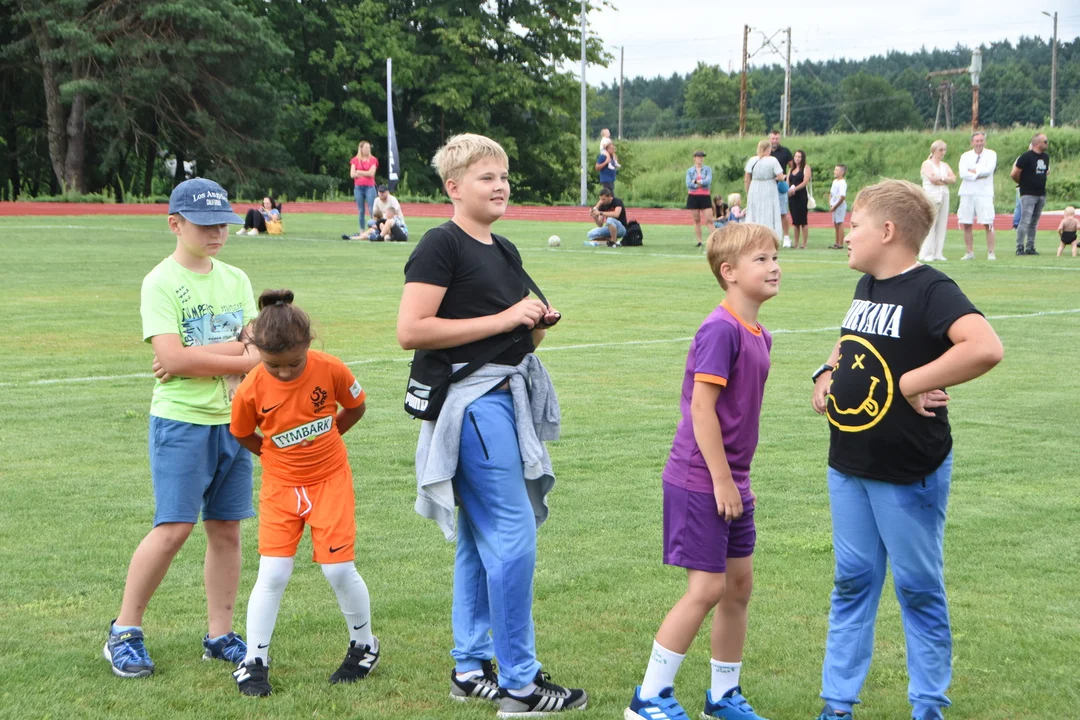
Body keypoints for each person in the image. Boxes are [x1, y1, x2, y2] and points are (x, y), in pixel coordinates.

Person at [396, 133, 586, 716]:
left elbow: (511, 338)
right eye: (486, 177)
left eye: (504, 175)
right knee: (513, 538)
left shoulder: (503, 247)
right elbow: (412, 330)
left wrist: (534, 324)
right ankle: (520, 686)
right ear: (453, 187)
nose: (500, 185)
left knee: (482, 542)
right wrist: (508, 316)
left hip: (507, 395)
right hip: (476, 406)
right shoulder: (439, 244)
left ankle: (471, 667)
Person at [809, 179, 1003, 720]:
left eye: (856, 225)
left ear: (888, 231)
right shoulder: (868, 285)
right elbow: (853, 340)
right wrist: (827, 370)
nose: (846, 232)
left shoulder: (931, 289)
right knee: (852, 583)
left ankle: (927, 708)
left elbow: (985, 346)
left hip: (906, 470)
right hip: (849, 464)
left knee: (917, 589)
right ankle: (837, 705)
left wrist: (912, 380)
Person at [103, 177, 261, 679]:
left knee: (227, 530)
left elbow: (261, 353)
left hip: (232, 423)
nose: (217, 233)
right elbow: (169, 357)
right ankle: (124, 631)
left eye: (224, 225)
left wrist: (199, 359)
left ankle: (220, 635)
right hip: (182, 423)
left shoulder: (236, 278)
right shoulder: (162, 281)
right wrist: (224, 357)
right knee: (173, 527)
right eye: (205, 224)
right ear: (175, 224)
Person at [625, 222, 779, 720]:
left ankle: (723, 696)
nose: (774, 265)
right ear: (728, 273)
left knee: (738, 587)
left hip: (733, 479)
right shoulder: (720, 329)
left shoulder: (761, 334)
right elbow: (701, 410)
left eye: (775, 256)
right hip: (701, 478)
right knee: (707, 588)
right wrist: (720, 479)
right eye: (761, 259)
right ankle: (648, 698)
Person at [229, 289, 375, 697]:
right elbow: (242, 433)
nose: (285, 373)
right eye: (274, 366)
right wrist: (275, 457)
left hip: (330, 481)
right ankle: (254, 660)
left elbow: (356, 405)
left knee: (338, 570)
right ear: (257, 353)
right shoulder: (251, 388)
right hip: (280, 488)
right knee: (273, 573)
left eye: (294, 363)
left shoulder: (330, 369)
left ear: (309, 344)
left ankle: (365, 645)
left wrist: (331, 439)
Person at [956, 132, 997, 261]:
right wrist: (977, 172)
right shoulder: (965, 156)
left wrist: (974, 171)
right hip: (967, 192)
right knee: (966, 223)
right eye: (977, 141)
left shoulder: (991, 154)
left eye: (981, 140)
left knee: (988, 223)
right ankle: (969, 252)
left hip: (984, 193)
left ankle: (991, 252)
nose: (979, 143)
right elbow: (963, 173)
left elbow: (988, 171)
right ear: (972, 143)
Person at [1011, 133, 1050, 255]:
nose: (1047, 144)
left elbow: (1045, 172)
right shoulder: (1026, 157)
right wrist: (1022, 183)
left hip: (1040, 193)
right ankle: (1019, 246)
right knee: (1025, 220)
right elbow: (1014, 173)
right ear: (1038, 143)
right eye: (1045, 141)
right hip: (1028, 193)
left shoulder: (1045, 157)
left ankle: (1030, 246)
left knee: (1034, 221)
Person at [919, 140, 956, 262]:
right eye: (941, 150)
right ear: (934, 150)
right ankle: (927, 253)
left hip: (944, 194)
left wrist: (943, 178)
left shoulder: (944, 165)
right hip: (931, 195)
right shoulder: (927, 164)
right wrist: (945, 180)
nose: (943, 152)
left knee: (942, 223)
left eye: (944, 150)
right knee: (930, 223)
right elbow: (932, 179)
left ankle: (938, 253)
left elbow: (953, 178)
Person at [744, 140, 784, 240]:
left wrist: (748, 191)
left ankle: (753, 235)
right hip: (769, 186)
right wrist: (775, 178)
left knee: (754, 210)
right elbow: (780, 177)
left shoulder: (752, 160)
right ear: (768, 149)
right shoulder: (773, 160)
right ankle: (769, 235)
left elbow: (747, 178)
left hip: (755, 186)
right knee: (769, 210)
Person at [769, 130, 794, 247]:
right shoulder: (765, 151)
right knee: (768, 212)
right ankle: (770, 237)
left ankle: (786, 238)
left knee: (783, 212)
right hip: (767, 185)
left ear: (779, 139)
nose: (774, 141)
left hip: (780, 185)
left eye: (777, 139)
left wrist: (787, 178)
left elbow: (793, 167)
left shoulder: (785, 152)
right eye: (773, 138)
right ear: (770, 139)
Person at [349, 140, 379, 236]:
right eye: (365, 147)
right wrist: (362, 173)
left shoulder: (373, 160)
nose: (367, 149)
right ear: (361, 149)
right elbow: (352, 174)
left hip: (370, 187)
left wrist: (359, 172)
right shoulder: (355, 160)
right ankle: (362, 230)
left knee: (371, 209)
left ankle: (373, 229)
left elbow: (371, 173)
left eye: (368, 148)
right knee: (361, 210)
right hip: (358, 187)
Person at [687, 151, 715, 247]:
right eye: (699, 157)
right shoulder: (690, 171)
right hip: (693, 196)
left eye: (702, 157)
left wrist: (695, 182)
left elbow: (708, 181)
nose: (701, 159)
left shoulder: (707, 169)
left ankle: (715, 240)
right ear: (694, 158)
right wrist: (700, 183)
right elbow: (689, 184)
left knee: (709, 219)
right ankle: (699, 241)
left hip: (705, 195)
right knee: (696, 219)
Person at [788, 150, 812, 249]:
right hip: (792, 197)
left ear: (802, 158)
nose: (797, 158)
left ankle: (804, 243)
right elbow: (787, 181)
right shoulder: (791, 170)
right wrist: (789, 190)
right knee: (795, 221)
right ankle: (796, 243)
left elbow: (805, 181)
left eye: (799, 157)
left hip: (801, 196)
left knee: (803, 220)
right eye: (796, 156)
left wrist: (795, 189)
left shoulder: (806, 168)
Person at [828, 166, 848, 249]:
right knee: (836, 224)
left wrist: (835, 206)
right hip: (834, 205)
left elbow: (842, 196)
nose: (834, 171)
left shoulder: (842, 183)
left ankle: (840, 244)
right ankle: (836, 242)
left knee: (840, 224)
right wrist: (830, 203)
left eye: (837, 170)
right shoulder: (835, 181)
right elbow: (831, 193)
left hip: (839, 205)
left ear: (842, 172)